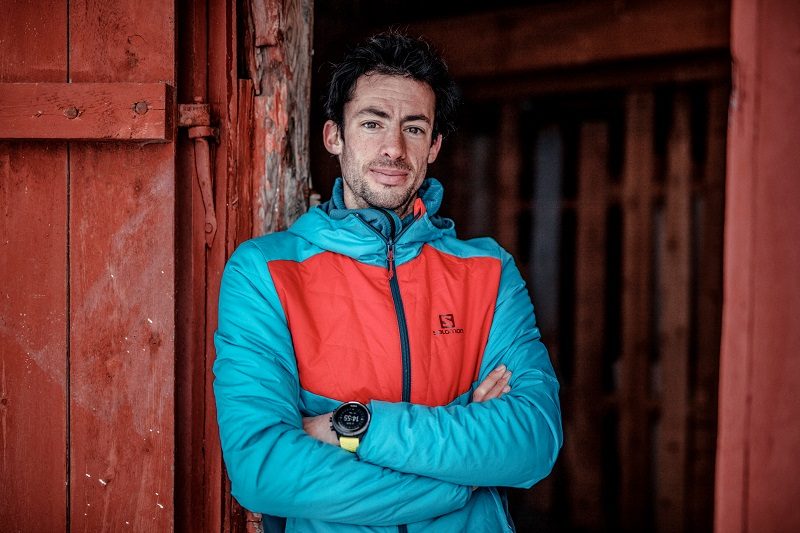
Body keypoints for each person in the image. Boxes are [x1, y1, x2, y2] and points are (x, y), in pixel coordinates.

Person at [213, 31, 562, 532]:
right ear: (335, 136)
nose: (393, 149)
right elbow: (263, 469)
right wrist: (462, 479)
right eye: (372, 123)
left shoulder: (489, 271)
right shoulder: (265, 273)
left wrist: (352, 426)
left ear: (435, 145)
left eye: (414, 128)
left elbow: (533, 440)